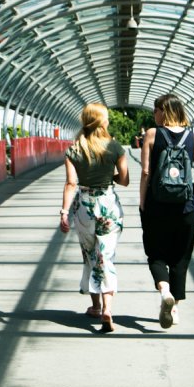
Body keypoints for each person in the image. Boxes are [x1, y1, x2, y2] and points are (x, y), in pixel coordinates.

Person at [59, 102, 130, 331]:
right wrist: (111, 176)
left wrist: (64, 213)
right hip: (108, 204)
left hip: (84, 207)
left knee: (90, 254)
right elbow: (125, 180)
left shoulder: (74, 150)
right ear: (102, 121)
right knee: (105, 256)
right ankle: (108, 308)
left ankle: (96, 306)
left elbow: (71, 183)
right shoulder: (115, 147)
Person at [137, 94, 194, 329]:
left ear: (163, 111)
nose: (153, 114)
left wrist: (143, 201)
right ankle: (174, 309)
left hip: (157, 206)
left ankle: (164, 291)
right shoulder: (193, 136)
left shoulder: (152, 134)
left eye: (155, 110)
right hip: (186, 208)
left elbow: (146, 172)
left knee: (156, 254)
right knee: (181, 258)